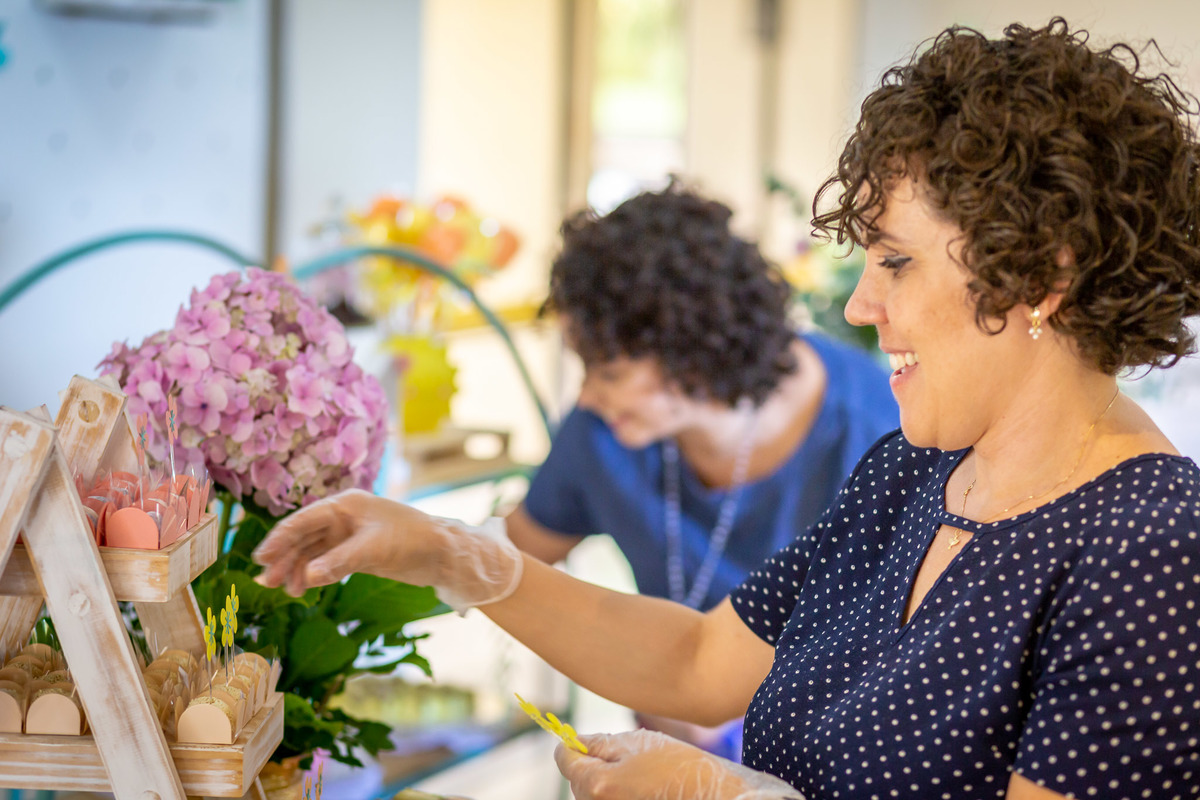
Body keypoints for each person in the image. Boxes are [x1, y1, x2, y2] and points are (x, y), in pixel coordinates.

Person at [252, 18, 1200, 800]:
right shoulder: (913, 475)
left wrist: (724, 796)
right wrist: (450, 555)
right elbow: (698, 661)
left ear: (1041, 275)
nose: (861, 305)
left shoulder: (1152, 554)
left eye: (896, 261)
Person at [505, 182, 898, 757]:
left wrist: (714, 708)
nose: (587, 395)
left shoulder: (879, 433)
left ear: (691, 352)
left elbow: (899, 664)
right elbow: (510, 559)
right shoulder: (602, 433)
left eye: (608, 372)